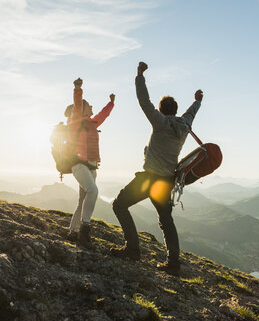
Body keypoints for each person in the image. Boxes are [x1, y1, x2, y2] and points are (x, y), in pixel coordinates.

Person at [111, 62, 203, 276]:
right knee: (165, 220)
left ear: (161, 110)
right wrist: (197, 101)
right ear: (176, 110)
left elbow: (144, 101)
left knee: (119, 205)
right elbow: (191, 113)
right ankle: (173, 262)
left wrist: (139, 75)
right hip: (166, 181)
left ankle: (132, 249)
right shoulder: (185, 126)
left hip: (149, 178)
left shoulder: (159, 122)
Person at [66, 77, 115, 248]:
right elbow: (78, 104)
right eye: (90, 105)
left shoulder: (93, 122)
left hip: (92, 166)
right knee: (93, 191)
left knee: (83, 200)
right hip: (79, 165)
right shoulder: (75, 120)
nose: (92, 107)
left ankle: (72, 232)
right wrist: (78, 88)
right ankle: (85, 230)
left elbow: (104, 114)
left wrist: (111, 103)